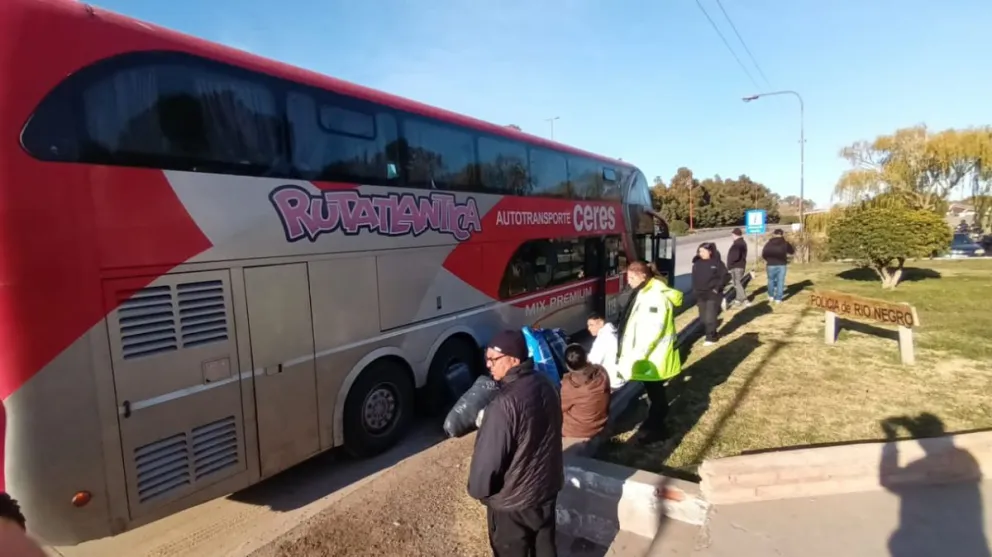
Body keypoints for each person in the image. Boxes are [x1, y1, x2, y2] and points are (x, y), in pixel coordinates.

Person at [468, 329, 562, 557]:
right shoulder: (546, 383)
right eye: (486, 358)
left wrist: (480, 491)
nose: (488, 365)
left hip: (513, 504)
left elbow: (487, 462)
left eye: (493, 359)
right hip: (546, 491)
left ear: (514, 359)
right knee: (545, 547)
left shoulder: (504, 405)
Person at [616, 261, 683, 444]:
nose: (628, 282)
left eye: (631, 278)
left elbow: (654, 330)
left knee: (656, 394)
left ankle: (655, 428)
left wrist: (638, 356)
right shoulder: (646, 291)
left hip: (654, 357)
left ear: (643, 276)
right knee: (654, 392)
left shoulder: (654, 296)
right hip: (651, 356)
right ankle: (654, 424)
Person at [560, 344, 610, 439]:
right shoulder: (601, 371)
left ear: (567, 366)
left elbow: (560, 407)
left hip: (580, 431)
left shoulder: (570, 385)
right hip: (600, 422)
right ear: (586, 357)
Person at [692, 243, 729, 346]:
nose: (701, 253)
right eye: (699, 251)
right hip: (700, 294)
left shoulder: (717, 263)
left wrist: (717, 289)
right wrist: (695, 291)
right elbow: (694, 279)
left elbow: (725, 276)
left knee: (710, 316)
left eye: (703, 251)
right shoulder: (697, 264)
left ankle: (710, 338)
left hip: (713, 294)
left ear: (710, 252)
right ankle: (714, 332)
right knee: (703, 318)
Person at [586, 313, 623, 389]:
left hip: (612, 381)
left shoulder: (603, 339)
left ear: (601, 323)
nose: (589, 328)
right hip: (621, 378)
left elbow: (592, 362)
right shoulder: (613, 333)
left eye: (591, 325)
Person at [761, 229, 795, 304]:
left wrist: (768, 260)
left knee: (770, 280)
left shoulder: (768, 243)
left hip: (770, 264)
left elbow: (764, 254)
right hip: (782, 264)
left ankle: (771, 296)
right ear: (782, 234)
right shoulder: (785, 243)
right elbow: (792, 251)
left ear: (774, 234)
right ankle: (778, 298)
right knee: (780, 281)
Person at [726, 228, 750, 308]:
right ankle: (738, 300)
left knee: (738, 283)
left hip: (737, 266)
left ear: (734, 235)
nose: (731, 236)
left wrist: (731, 263)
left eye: (732, 235)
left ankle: (745, 299)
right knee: (737, 283)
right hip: (739, 266)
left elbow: (735, 256)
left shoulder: (738, 244)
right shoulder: (740, 242)